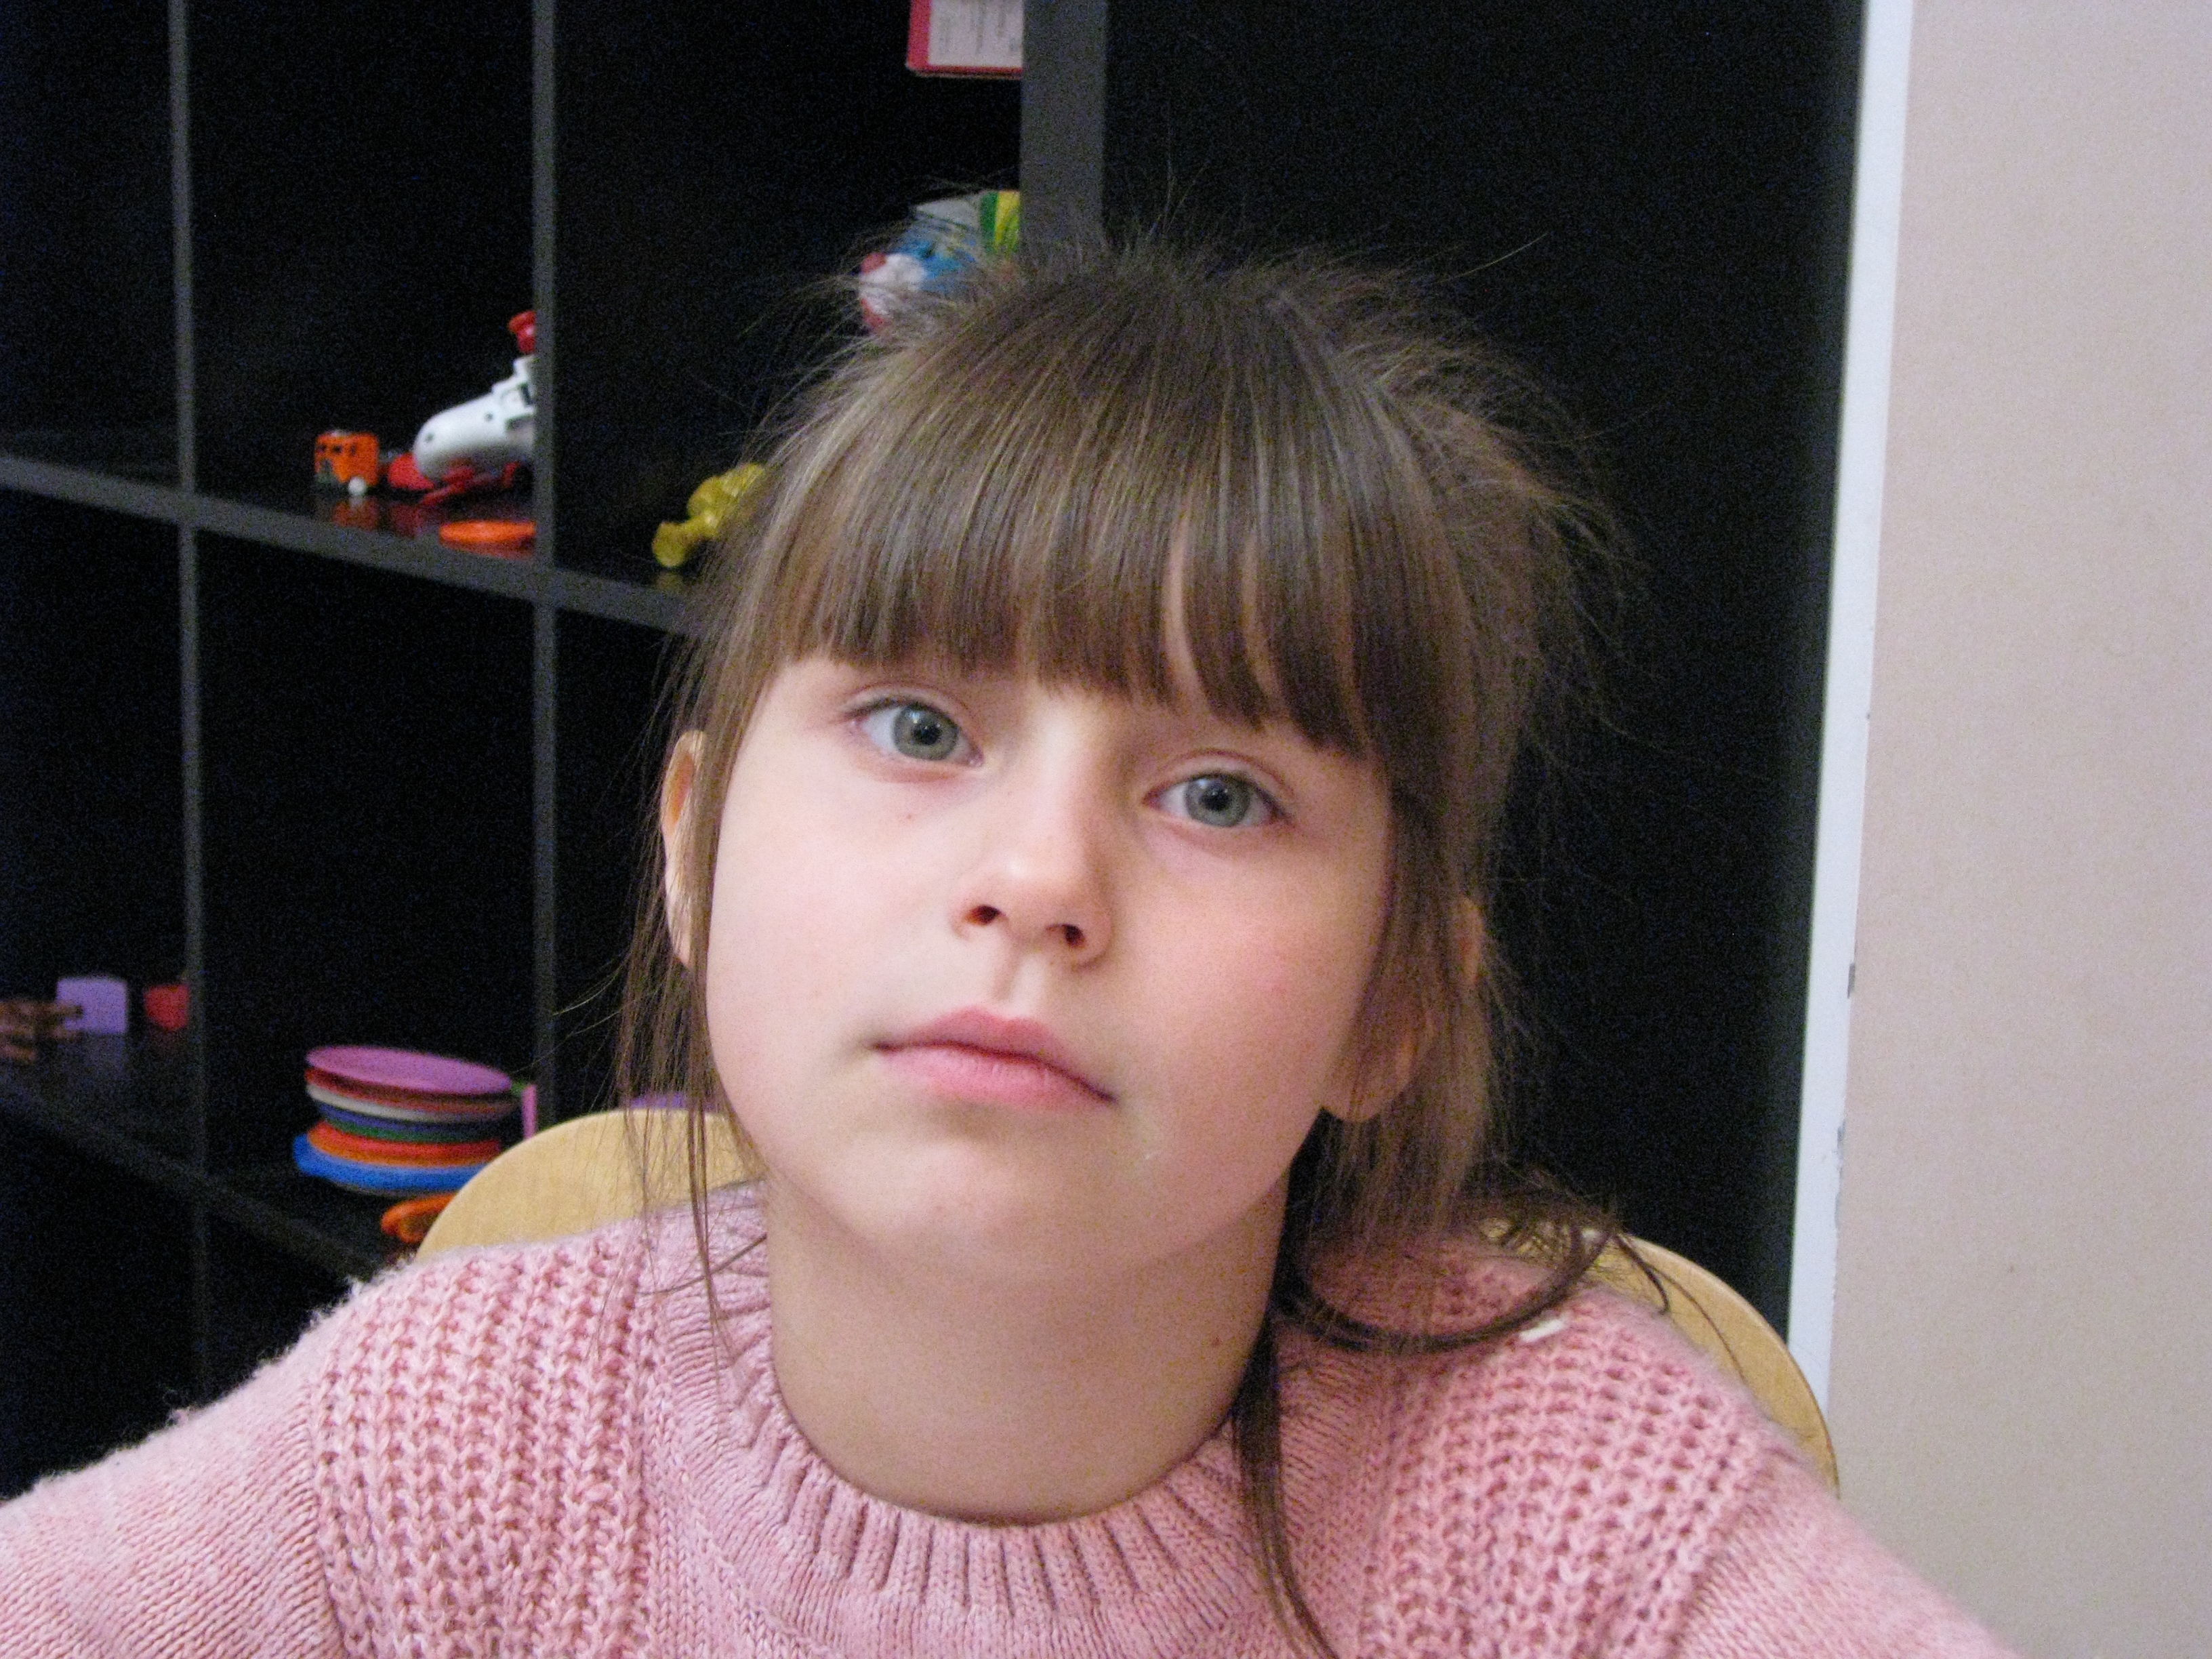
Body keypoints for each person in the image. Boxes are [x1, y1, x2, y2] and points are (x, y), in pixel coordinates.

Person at [0, 245, 2016, 1656]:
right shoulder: (458, 1440)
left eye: (1219, 792)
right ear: (695, 850)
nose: (1039, 880)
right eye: (919, 728)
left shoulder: (1587, 1525)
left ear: (1395, 1001)